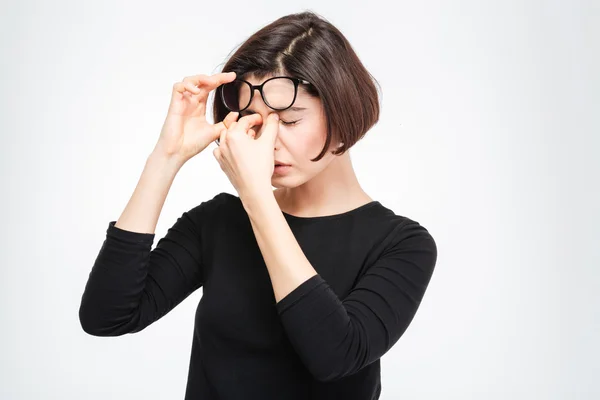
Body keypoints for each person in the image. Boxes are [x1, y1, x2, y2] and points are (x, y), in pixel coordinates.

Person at [78, 10, 438, 400]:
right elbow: (106, 316)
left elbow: (334, 356)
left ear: (344, 111)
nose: (268, 141)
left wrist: (256, 197)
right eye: (254, 120)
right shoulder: (218, 221)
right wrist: (166, 157)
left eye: (290, 120)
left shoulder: (402, 244)